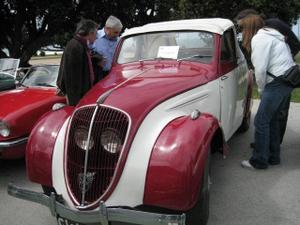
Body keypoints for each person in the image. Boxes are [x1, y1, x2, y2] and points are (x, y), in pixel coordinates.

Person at [235, 9, 300, 145]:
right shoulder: (263, 32)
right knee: (273, 117)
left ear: (248, 22)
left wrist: (282, 63)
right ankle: (269, 147)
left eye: (241, 27)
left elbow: (294, 45)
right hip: (280, 76)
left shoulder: (270, 28)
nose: (240, 31)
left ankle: (269, 147)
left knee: (273, 116)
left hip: (280, 77)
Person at [57, 19, 98, 106]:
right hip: (76, 99)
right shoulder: (75, 46)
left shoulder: (80, 45)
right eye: (95, 33)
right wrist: (75, 104)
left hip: (81, 95)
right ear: (90, 33)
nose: (96, 37)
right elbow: (72, 79)